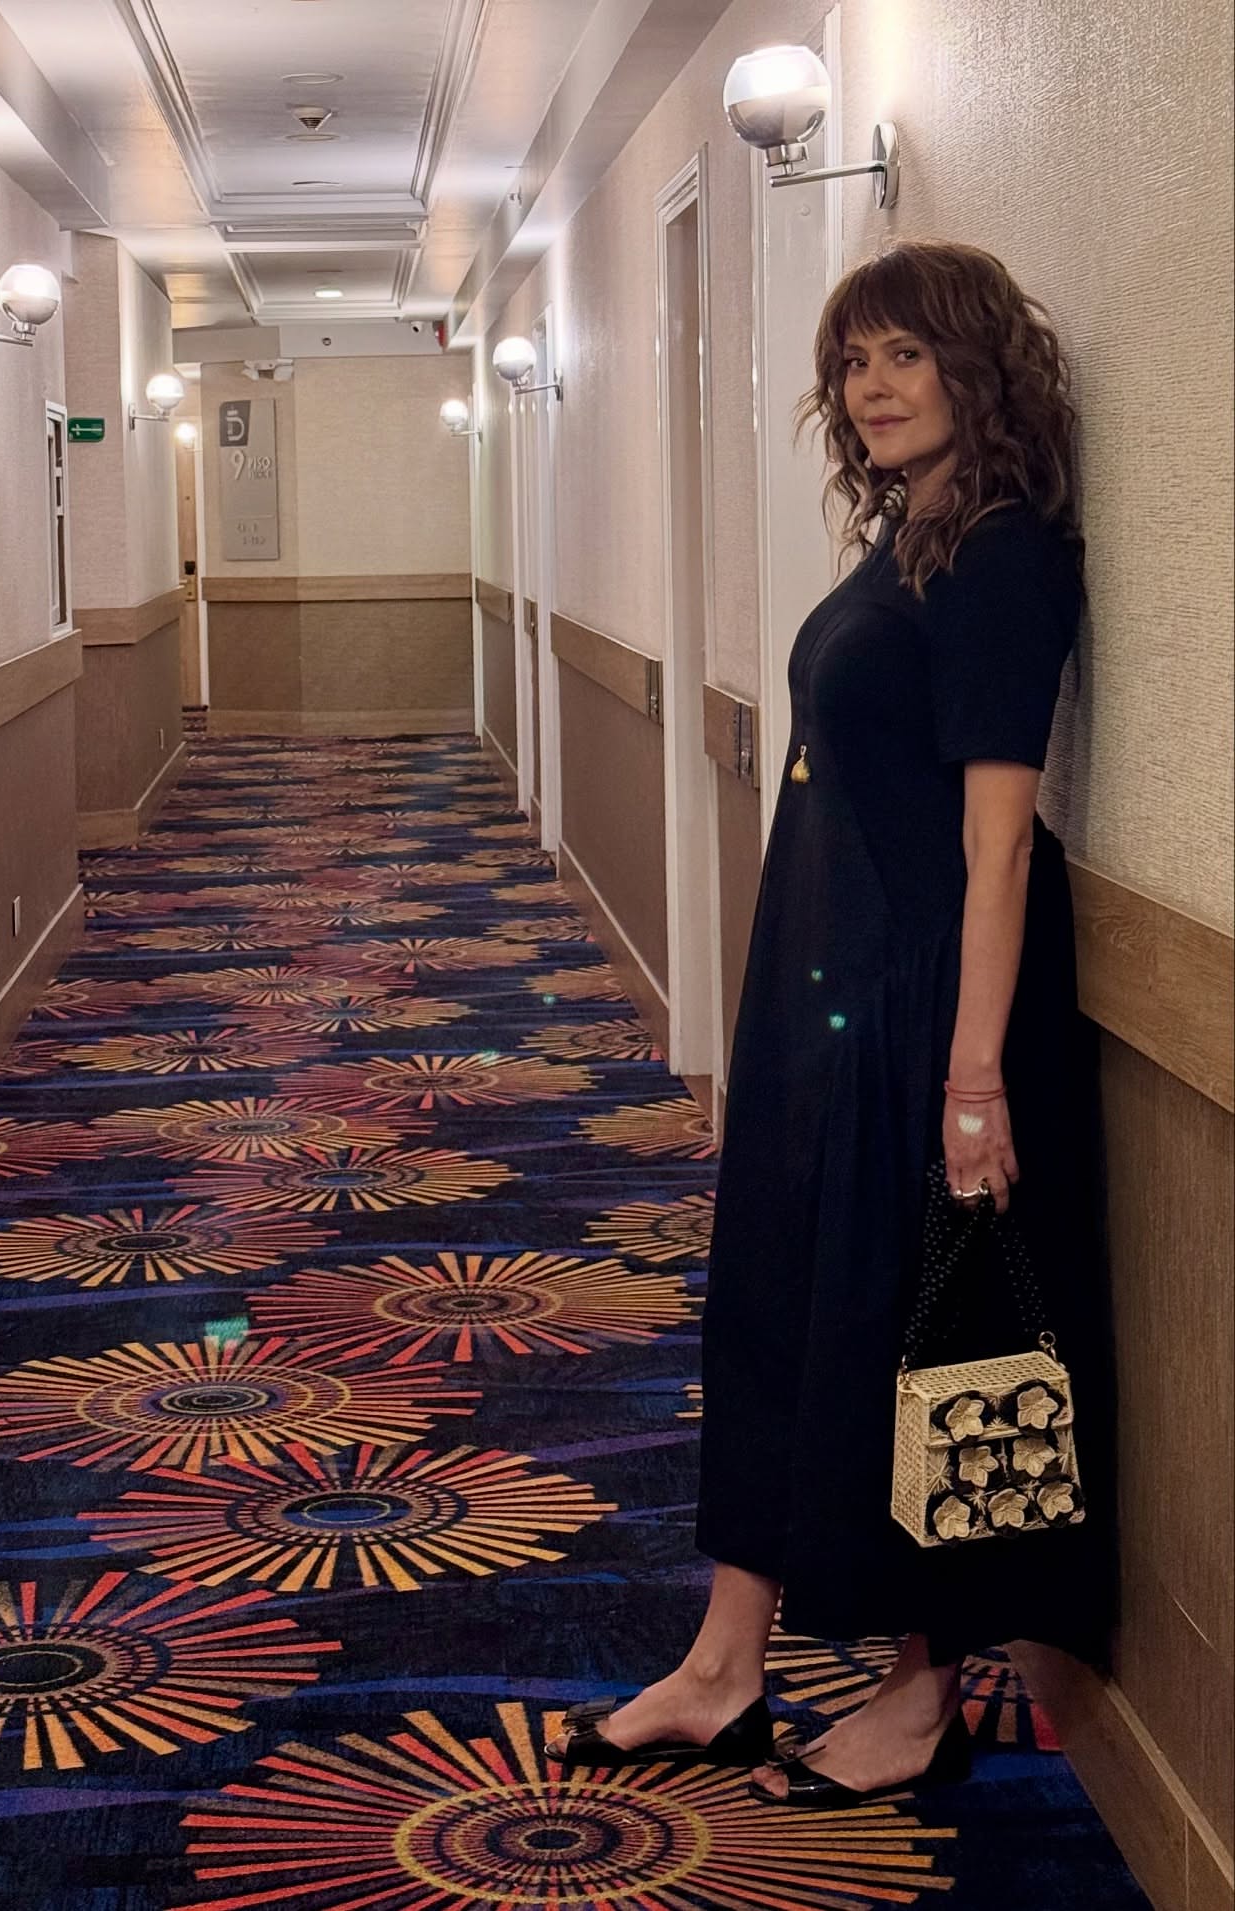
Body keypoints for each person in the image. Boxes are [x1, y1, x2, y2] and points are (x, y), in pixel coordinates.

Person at [547, 239, 1109, 1807]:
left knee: (906, 1328)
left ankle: (923, 1690)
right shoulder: (908, 539)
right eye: (854, 361)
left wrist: (974, 1076)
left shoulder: (1002, 557)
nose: (871, 386)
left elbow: (999, 842)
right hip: (830, 997)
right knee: (782, 1309)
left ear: (976, 370)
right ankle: (725, 1664)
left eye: (905, 356)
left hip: (932, 1006)